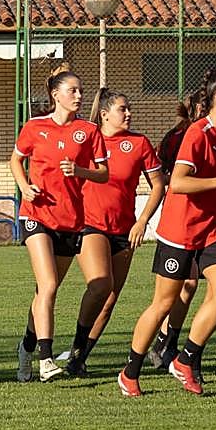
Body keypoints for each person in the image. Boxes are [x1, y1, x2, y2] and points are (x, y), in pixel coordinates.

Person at [118, 69, 216, 397]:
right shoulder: (197, 134)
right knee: (163, 303)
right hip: (180, 231)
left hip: (213, 229)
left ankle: (186, 359)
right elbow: (179, 182)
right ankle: (130, 371)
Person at [11, 64, 108, 383]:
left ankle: (26, 345)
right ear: (56, 95)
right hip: (36, 215)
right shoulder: (34, 127)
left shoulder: (89, 131)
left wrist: (80, 172)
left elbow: (103, 173)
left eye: (81, 91)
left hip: (70, 221)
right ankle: (45, 358)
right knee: (49, 285)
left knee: (45, 290)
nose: (79, 95)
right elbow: (15, 159)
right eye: (73, 90)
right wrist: (24, 186)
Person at [62, 87, 165, 376]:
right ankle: (76, 348)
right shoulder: (85, 139)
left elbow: (158, 184)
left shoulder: (139, 143)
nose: (129, 113)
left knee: (109, 301)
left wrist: (142, 220)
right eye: (123, 108)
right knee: (100, 285)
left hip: (124, 229)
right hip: (90, 224)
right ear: (105, 114)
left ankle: (78, 358)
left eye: (128, 108)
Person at [147, 91, 204, 370]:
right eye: (200, 106)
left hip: (207, 220)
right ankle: (155, 346)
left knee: (192, 285)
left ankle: (167, 341)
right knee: (172, 291)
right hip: (179, 220)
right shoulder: (176, 137)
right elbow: (160, 174)